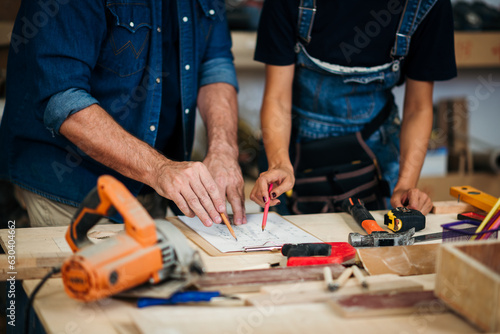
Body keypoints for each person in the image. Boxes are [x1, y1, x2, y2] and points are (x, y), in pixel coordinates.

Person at [0, 0, 247, 227]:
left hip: (154, 187)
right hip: (73, 189)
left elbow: (214, 63)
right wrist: (159, 169)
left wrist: (223, 150)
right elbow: (63, 98)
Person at [250, 0, 457, 216]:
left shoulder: (427, 4)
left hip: (377, 152)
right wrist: (279, 164)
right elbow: (277, 98)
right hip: (294, 149)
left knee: (384, 244)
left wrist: (405, 184)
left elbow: (418, 108)